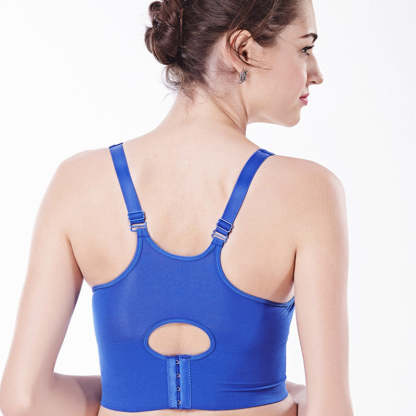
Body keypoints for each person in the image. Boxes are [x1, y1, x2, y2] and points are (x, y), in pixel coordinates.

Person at [0, 0, 354, 415]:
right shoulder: (309, 191)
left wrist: (131, 387)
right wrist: (294, 397)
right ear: (242, 49)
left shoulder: (78, 183)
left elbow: (24, 401)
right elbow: (331, 410)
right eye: (305, 48)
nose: (316, 72)